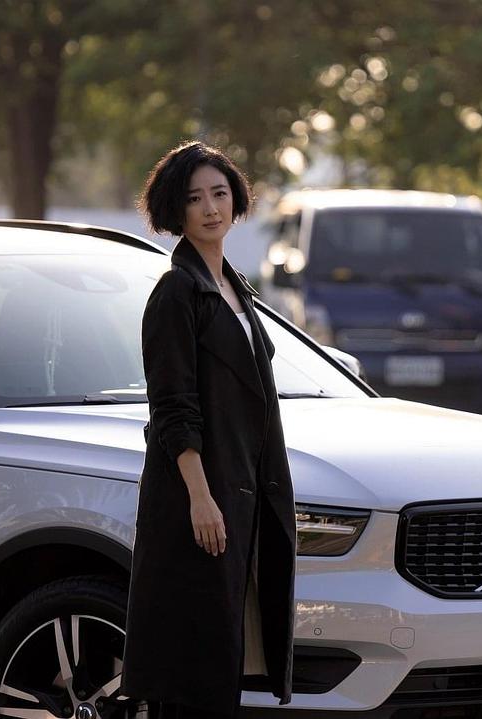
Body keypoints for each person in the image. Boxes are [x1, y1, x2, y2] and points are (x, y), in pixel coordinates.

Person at [121, 141, 297, 718]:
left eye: (219, 194)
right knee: (191, 672)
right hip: (199, 500)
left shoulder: (235, 287)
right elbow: (173, 407)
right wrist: (200, 497)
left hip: (240, 494)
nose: (210, 208)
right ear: (176, 209)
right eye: (195, 198)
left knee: (220, 664)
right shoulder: (176, 291)